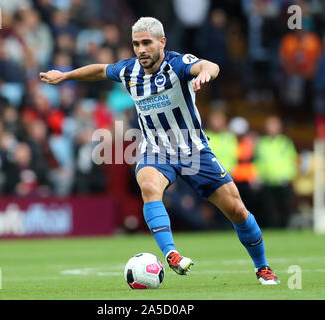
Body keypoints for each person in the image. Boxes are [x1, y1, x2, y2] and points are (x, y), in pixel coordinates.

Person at [40, 17, 280, 285]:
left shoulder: (178, 64)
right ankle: (171, 254)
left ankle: (263, 268)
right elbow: (100, 70)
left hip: (194, 150)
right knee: (149, 187)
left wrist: (204, 73)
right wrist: (66, 76)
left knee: (237, 210)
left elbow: (210, 65)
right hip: (156, 150)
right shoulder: (129, 71)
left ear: (162, 42)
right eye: (136, 44)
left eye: (146, 43)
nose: (140, 49)